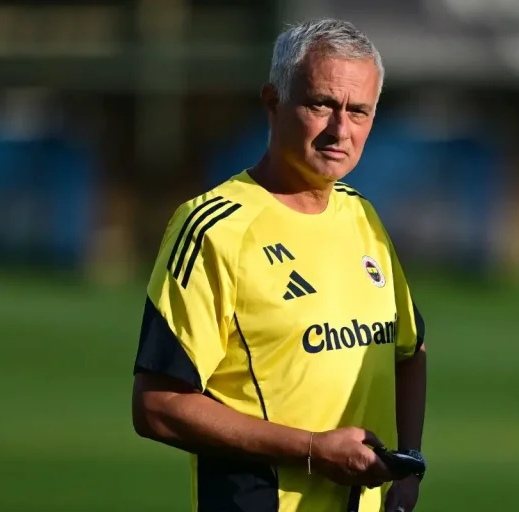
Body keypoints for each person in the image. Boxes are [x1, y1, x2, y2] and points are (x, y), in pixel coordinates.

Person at [131, 18, 427, 512]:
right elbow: (157, 407)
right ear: (273, 101)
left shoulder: (362, 217)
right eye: (321, 104)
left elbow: (410, 349)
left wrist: (409, 466)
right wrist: (311, 451)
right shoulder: (213, 228)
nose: (340, 129)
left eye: (359, 111)